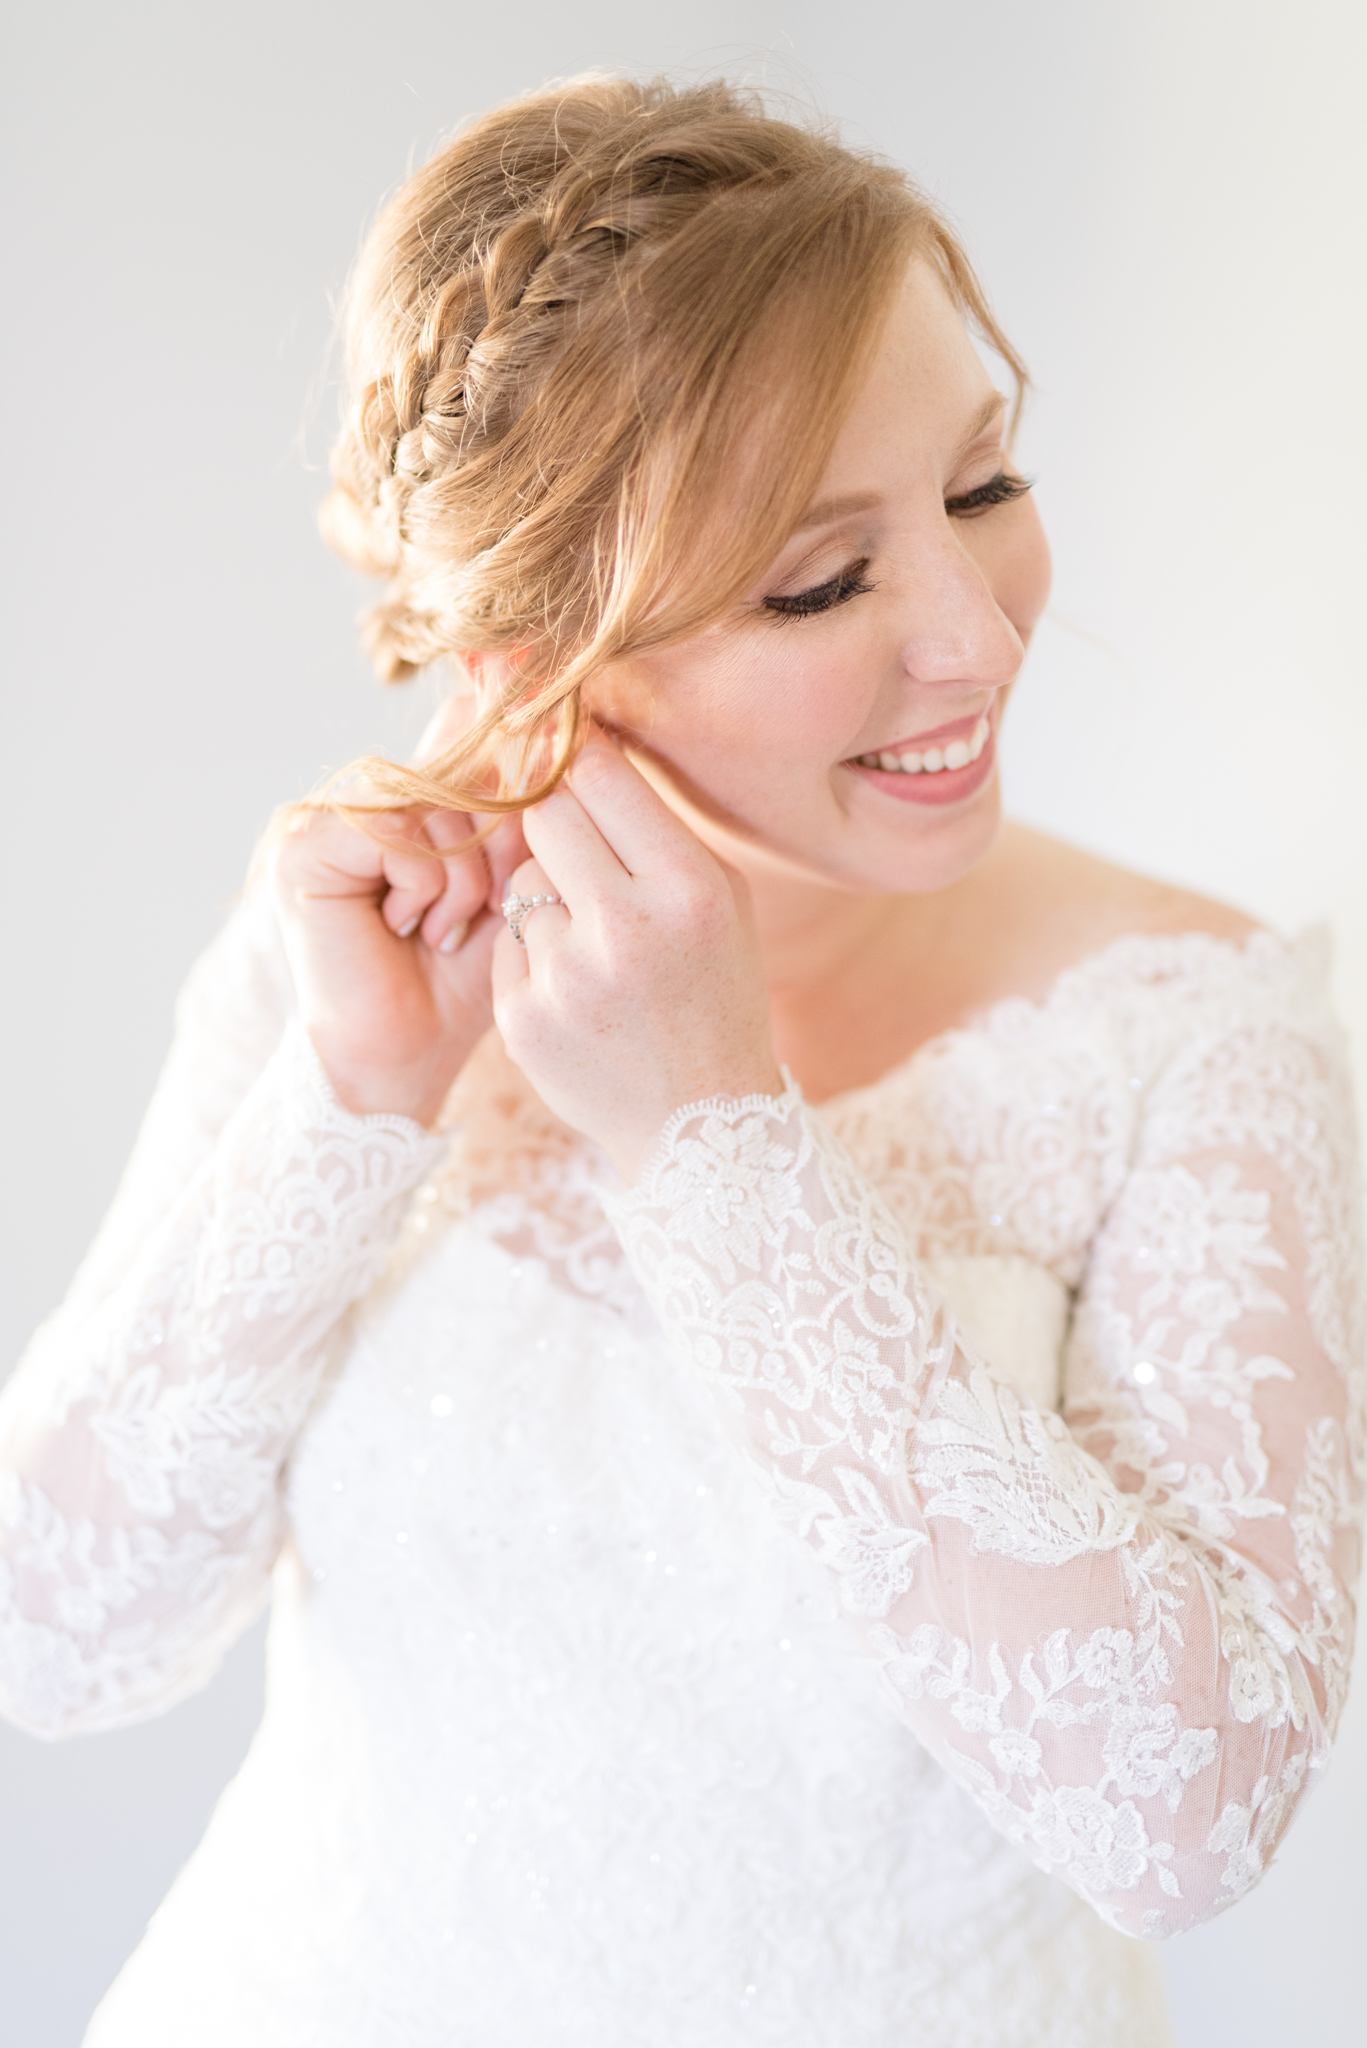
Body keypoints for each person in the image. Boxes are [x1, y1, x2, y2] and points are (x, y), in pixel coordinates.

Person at [0, 74, 1360, 2048]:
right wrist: (348, 1101)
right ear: (539, 653)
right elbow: (51, 1628)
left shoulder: (1193, 1032)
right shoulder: (355, 938)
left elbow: (1190, 1816)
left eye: (982, 485)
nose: (975, 639)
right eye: (823, 579)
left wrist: (722, 1143)